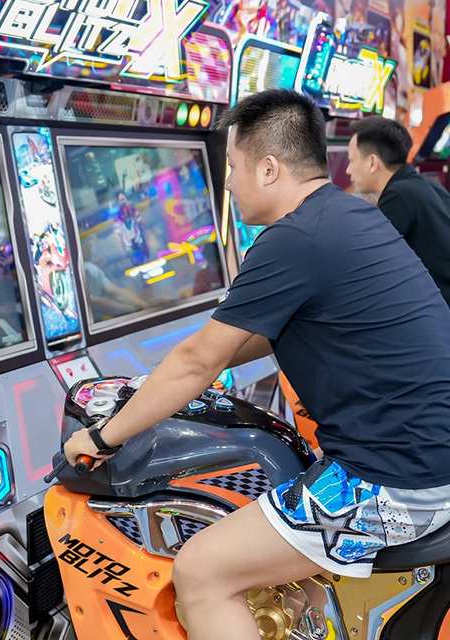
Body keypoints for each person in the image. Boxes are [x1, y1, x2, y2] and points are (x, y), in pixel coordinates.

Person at [63, 89, 450, 640]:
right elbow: (250, 339)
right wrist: (171, 379)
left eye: (233, 166)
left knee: (202, 570)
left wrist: (102, 437)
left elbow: (196, 361)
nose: (226, 182)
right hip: (427, 454)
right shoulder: (346, 215)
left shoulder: (293, 239)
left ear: (269, 169)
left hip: (398, 481)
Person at [346, 115, 450, 309]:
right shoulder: (427, 185)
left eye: (351, 160)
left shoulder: (398, 195)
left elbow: (367, 264)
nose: (347, 170)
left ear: (372, 162)